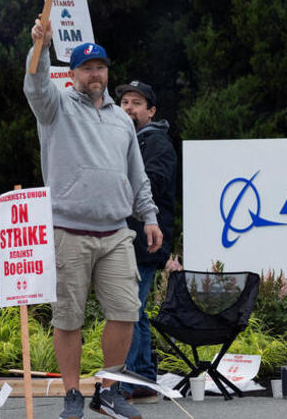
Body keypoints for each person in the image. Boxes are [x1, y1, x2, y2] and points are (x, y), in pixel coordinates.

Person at [23, 20, 162, 419]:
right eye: (86, 68)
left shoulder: (122, 119)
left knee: (125, 312)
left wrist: (148, 216)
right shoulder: (55, 106)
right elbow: (35, 84)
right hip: (68, 230)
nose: (94, 74)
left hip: (117, 232)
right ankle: (71, 394)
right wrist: (41, 47)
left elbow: (137, 175)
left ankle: (108, 390)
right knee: (69, 317)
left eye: (100, 67)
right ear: (72, 74)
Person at [115, 81, 177, 404]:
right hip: (127, 239)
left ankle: (135, 380)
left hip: (145, 242)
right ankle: (140, 378)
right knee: (132, 309)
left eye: (136, 102)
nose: (128, 108)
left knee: (131, 309)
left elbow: (151, 184)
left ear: (151, 112)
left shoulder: (157, 144)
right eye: (124, 101)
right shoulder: (125, 141)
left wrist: (117, 178)